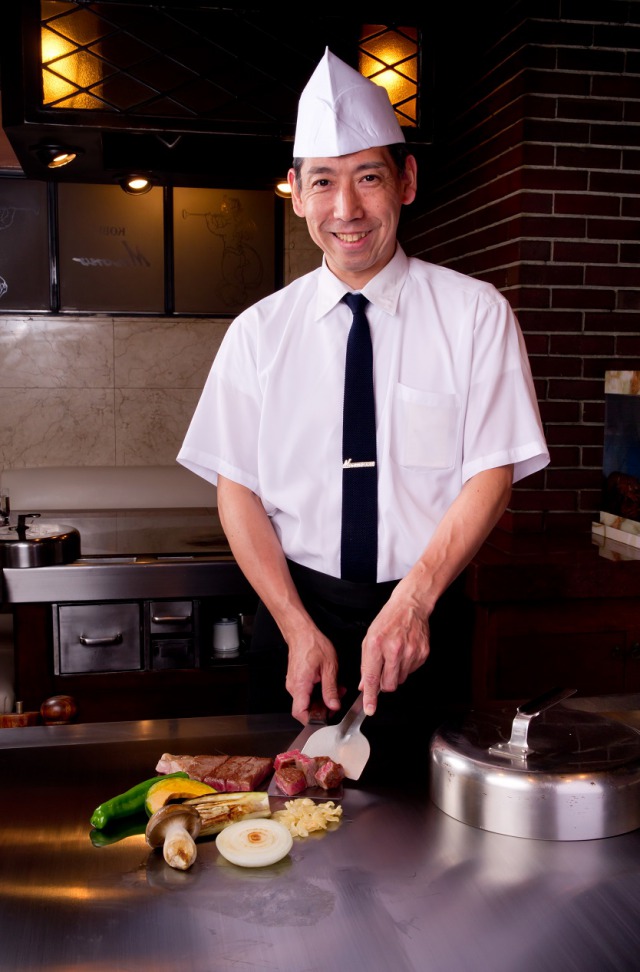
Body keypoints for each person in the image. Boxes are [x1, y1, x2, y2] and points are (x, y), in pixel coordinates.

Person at [178, 49, 549, 730]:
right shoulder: (258, 333)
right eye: (322, 183)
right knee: (286, 821)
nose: (346, 209)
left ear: (406, 181)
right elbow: (237, 489)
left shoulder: (476, 314)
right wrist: (292, 623)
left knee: (432, 826)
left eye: (368, 177)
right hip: (296, 617)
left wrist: (413, 602)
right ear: (295, 193)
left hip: (425, 612)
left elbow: (492, 471)